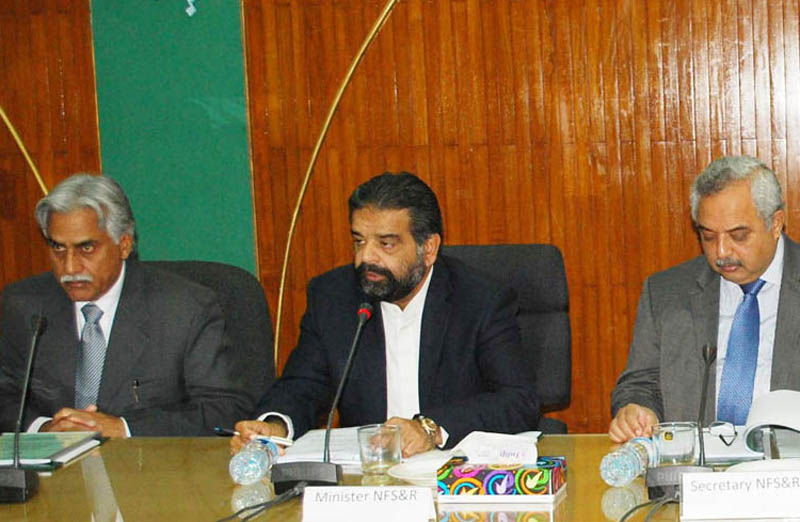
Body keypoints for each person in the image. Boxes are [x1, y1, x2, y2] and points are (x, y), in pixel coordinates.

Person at [231, 172, 540, 457]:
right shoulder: (333, 296)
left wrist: (429, 429)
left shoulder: (480, 299)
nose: (366, 257)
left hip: (452, 471)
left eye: (386, 244)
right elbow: (302, 385)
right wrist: (275, 425)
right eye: (359, 241)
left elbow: (518, 400)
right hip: (367, 475)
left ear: (429, 249)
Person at [0, 174, 254, 437]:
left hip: (146, 470)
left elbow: (225, 409)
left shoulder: (185, 309)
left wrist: (124, 428)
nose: (70, 267)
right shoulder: (25, 304)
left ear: (124, 245)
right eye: (58, 249)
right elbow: (5, 396)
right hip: (47, 471)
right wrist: (44, 429)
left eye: (86, 248)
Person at [609, 155, 800, 442]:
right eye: (708, 237)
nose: (722, 252)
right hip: (692, 471)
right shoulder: (666, 293)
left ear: (775, 224)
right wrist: (636, 409)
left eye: (738, 235)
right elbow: (641, 383)